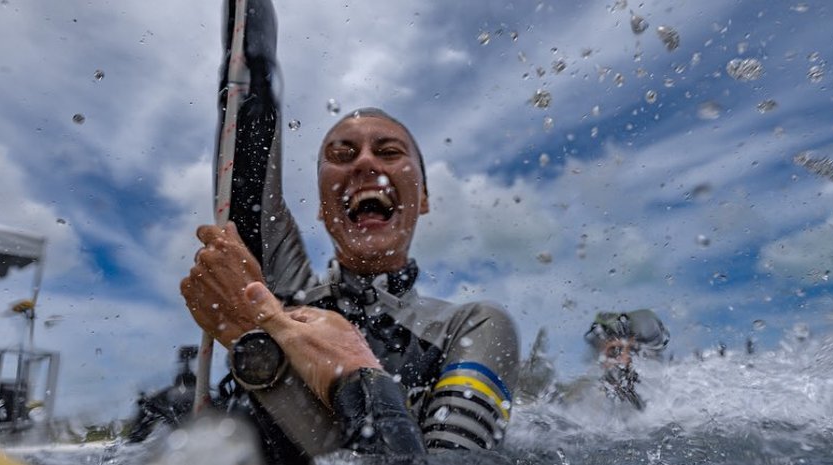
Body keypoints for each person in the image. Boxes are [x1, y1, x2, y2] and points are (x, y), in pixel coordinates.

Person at [179, 1, 520, 463]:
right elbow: (248, 134)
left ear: (422, 197)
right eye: (341, 155)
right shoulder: (283, 291)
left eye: (389, 150)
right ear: (323, 208)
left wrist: (255, 337)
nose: (364, 162)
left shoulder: (473, 327)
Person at [583, 309, 669, 410]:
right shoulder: (593, 396)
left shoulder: (660, 393)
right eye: (613, 352)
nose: (623, 360)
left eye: (632, 350)